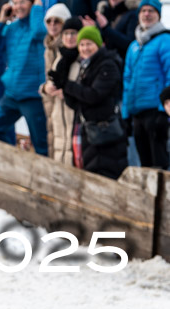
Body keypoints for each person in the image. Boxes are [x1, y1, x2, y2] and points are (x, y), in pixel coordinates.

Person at [53, 26, 128, 178]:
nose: (85, 48)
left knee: (107, 175)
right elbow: (77, 103)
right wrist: (64, 84)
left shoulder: (108, 64)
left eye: (89, 44)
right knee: (91, 174)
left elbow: (93, 95)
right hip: (90, 132)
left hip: (105, 133)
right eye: (82, 44)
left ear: (99, 44)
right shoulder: (85, 66)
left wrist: (67, 85)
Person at [0, 0, 49, 155]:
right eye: (15, 2)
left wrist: (37, 7)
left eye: (23, 2)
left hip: (32, 95)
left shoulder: (38, 25)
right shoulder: (11, 28)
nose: (19, 6)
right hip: (11, 94)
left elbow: (40, 32)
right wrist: (0, 22)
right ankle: (11, 163)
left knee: (40, 142)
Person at [122, 0, 170, 170]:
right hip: (137, 113)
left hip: (155, 112)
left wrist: (163, 111)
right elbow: (127, 81)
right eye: (143, 11)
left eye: (151, 11)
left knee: (160, 162)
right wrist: (125, 114)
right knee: (144, 164)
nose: (147, 14)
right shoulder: (134, 46)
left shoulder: (165, 40)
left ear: (158, 15)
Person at [42, 17, 83, 165]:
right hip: (58, 114)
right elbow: (50, 81)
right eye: (66, 34)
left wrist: (66, 91)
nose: (70, 37)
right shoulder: (59, 58)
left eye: (73, 33)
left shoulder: (83, 58)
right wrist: (46, 88)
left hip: (75, 117)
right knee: (58, 154)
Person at [40, 4, 72, 156]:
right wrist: (45, 88)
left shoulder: (68, 48)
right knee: (54, 144)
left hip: (65, 104)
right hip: (51, 104)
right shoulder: (48, 48)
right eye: (49, 21)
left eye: (57, 21)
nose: (52, 24)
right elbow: (48, 78)